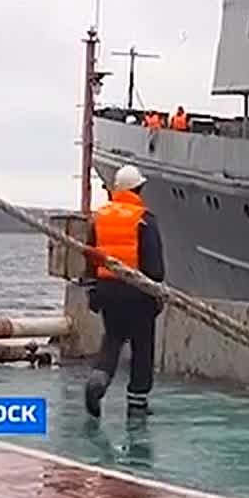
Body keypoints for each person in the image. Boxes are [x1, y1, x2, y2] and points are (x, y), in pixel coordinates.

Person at [83, 164, 166, 418]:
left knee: (113, 338)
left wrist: (94, 291)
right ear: (138, 189)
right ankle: (137, 401)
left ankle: (98, 380)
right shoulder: (144, 219)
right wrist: (156, 293)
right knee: (142, 346)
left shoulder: (99, 218)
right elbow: (154, 265)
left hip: (107, 290)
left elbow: (91, 258)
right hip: (137, 292)